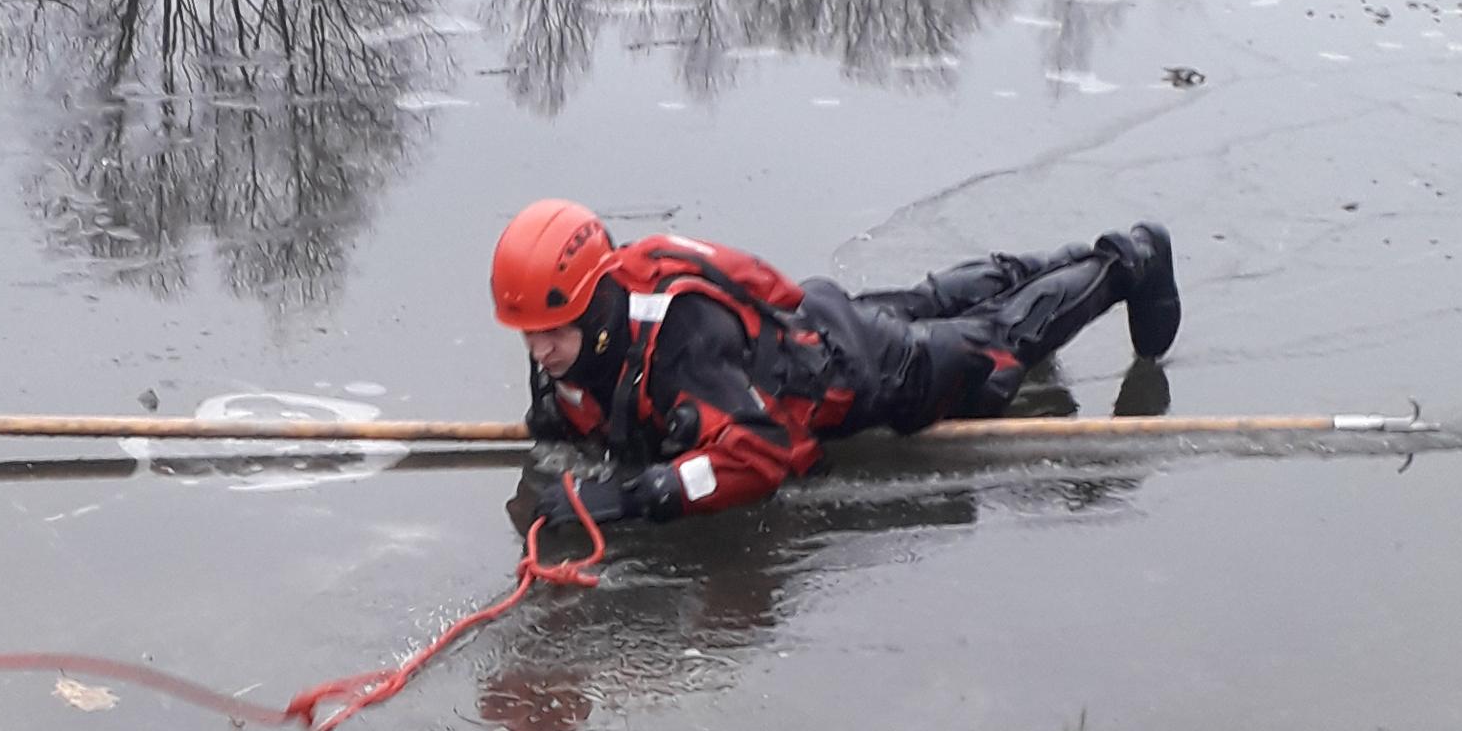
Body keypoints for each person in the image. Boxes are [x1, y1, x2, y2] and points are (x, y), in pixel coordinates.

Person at [491, 198, 1179, 527]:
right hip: (811, 325)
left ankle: (1129, 261)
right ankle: (1067, 257)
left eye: (553, 332)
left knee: (997, 348)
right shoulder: (590, 332)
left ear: (594, 307)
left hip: (857, 375)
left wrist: (644, 493)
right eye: (527, 334)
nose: (539, 350)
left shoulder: (678, 351)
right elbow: (587, 403)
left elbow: (759, 455)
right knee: (930, 300)